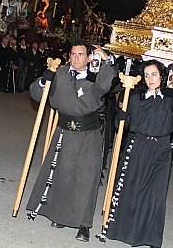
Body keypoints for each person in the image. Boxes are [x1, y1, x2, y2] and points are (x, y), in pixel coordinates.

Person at [26, 41, 116, 242]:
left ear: (88, 57)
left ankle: (84, 224)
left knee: (86, 178)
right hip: (64, 131)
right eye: (73, 54)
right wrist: (43, 82)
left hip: (88, 134)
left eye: (81, 54)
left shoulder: (96, 74)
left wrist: (106, 60)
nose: (76, 58)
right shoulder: (60, 73)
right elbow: (36, 93)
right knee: (62, 173)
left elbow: (106, 84)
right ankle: (59, 215)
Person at [100, 61, 173, 247]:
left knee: (155, 196)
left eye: (155, 74)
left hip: (160, 151)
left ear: (162, 76)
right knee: (131, 189)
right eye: (147, 75)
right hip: (138, 147)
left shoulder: (170, 99)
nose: (151, 79)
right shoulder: (135, 98)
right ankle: (122, 231)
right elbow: (122, 126)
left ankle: (150, 237)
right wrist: (122, 118)